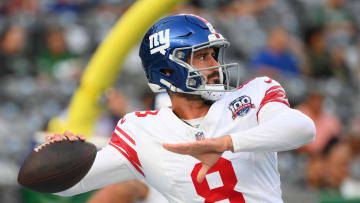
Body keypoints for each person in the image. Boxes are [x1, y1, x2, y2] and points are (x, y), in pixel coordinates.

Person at [46, 14, 315, 203]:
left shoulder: (254, 93)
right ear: (166, 70)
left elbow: (302, 129)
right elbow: (67, 186)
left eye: (213, 54)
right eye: (201, 56)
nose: (214, 65)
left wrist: (228, 143)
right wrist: (58, 156)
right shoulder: (141, 130)